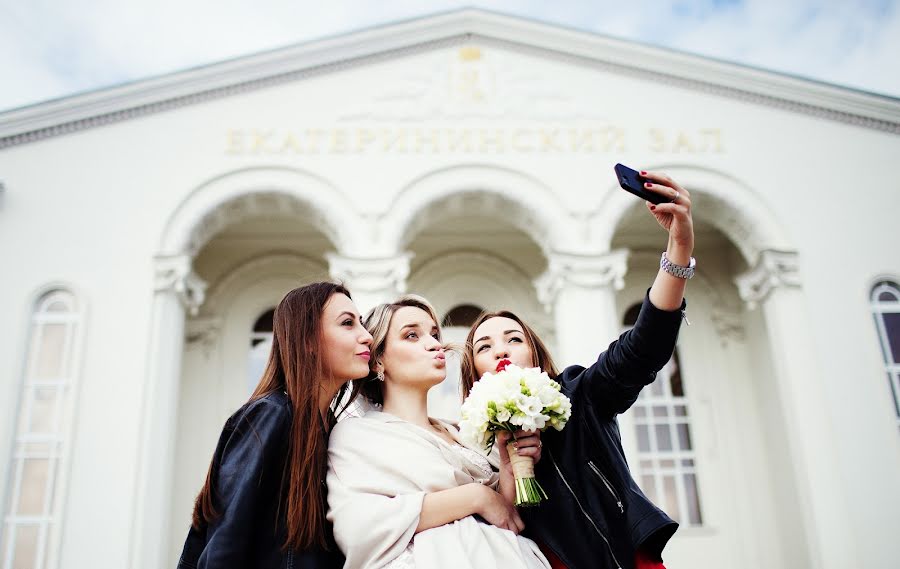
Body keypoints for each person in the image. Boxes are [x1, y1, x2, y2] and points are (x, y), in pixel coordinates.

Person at [460, 170, 695, 569]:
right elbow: (497, 535)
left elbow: (641, 350)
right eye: (485, 345)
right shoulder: (470, 450)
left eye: (514, 339)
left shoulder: (579, 396)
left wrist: (679, 248)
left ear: (535, 356)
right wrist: (509, 467)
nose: (501, 348)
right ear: (473, 375)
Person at [326, 295, 550, 569]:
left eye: (434, 334)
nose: (434, 344)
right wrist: (474, 497)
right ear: (378, 361)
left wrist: (507, 469)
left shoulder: (462, 434)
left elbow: (505, 517)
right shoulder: (357, 435)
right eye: (411, 335)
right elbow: (359, 530)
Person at [177, 282, 373, 569]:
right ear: (307, 341)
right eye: (347, 324)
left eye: (362, 324)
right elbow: (227, 541)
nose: (366, 336)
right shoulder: (272, 415)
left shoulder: (328, 430)